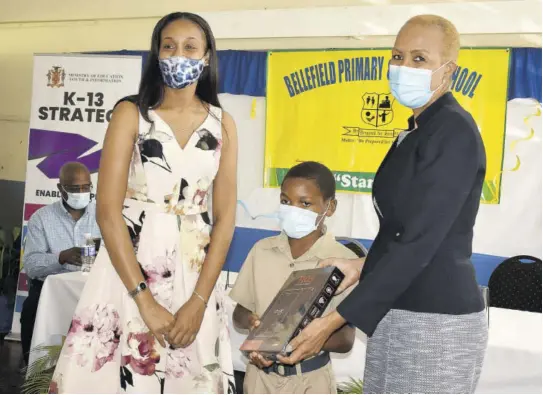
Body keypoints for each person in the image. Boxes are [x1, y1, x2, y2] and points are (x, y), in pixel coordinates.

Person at [279, 15, 488, 394]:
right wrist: (362, 265)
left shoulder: (454, 132)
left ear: (449, 70)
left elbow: (421, 242)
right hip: (397, 312)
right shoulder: (416, 131)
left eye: (419, 59)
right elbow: (401, 229)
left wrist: (332, 322)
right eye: (397, 56)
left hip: (435, 322)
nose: (403, 67)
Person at [50, 12, 238, 394]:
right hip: (129, 272)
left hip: (195, 275)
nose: (178, 55)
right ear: (156, 54)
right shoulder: (131, 114)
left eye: (190, 47)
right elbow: (107, 211)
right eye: (168, 46)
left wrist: (199, 302)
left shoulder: (223, 123)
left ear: (206, 58)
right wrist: (145, 301)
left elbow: (226, 218)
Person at [230, 162, 356, 394]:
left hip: (310, 381)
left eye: (305, 203)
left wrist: (293, 339)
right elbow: (239, 313)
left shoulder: (344, 262)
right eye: (286, 201)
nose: (293, 209)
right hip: (259, 379)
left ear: (330, 207)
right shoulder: (262, 250)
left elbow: (346, 339)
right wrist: (252, 323)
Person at [20, 162, 100, 365]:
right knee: (42, 364)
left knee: (83, 365)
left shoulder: (102, 217)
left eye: (86, 187)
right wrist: (60, 257)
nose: (81, 193)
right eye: (74, 189)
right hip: (46, 295)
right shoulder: (41, 218)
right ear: (60, 189)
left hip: (90, 296)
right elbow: (31, 265)